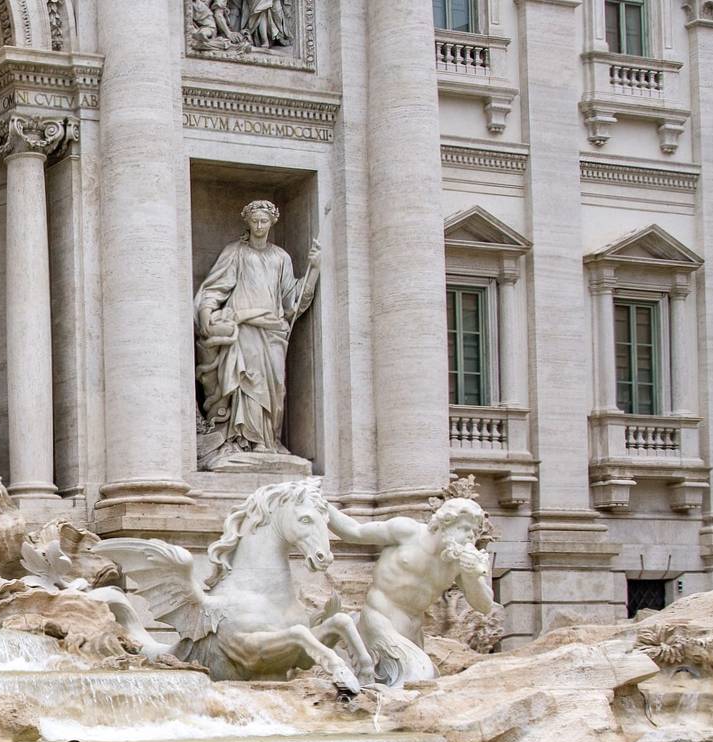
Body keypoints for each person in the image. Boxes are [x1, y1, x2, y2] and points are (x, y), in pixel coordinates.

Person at [193, 199, 318, 465]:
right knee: (249, 382)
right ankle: (244, 440)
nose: (260, 226)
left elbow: (292, 301)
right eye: (255, 221)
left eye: (264, 222)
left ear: (272, 223)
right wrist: (206, 312)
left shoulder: (280, 257)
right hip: (244, 328)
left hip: (273, 330)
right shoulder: (235, 251)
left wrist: (315, 269)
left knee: (275, 387)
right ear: (247, 223)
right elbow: (215, 288)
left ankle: (269, 439)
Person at [326, 498, 496, 686]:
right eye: (465, 528)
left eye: (474, 532)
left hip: (412, 634)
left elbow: (485, 605)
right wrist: (322, 505)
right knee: (418, 676)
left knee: (414, 682)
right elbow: (354, 532)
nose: (470, 536)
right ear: (445, 523)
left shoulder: (457, 562)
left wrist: (472, 576)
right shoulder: (407, 532)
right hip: (380, 619)